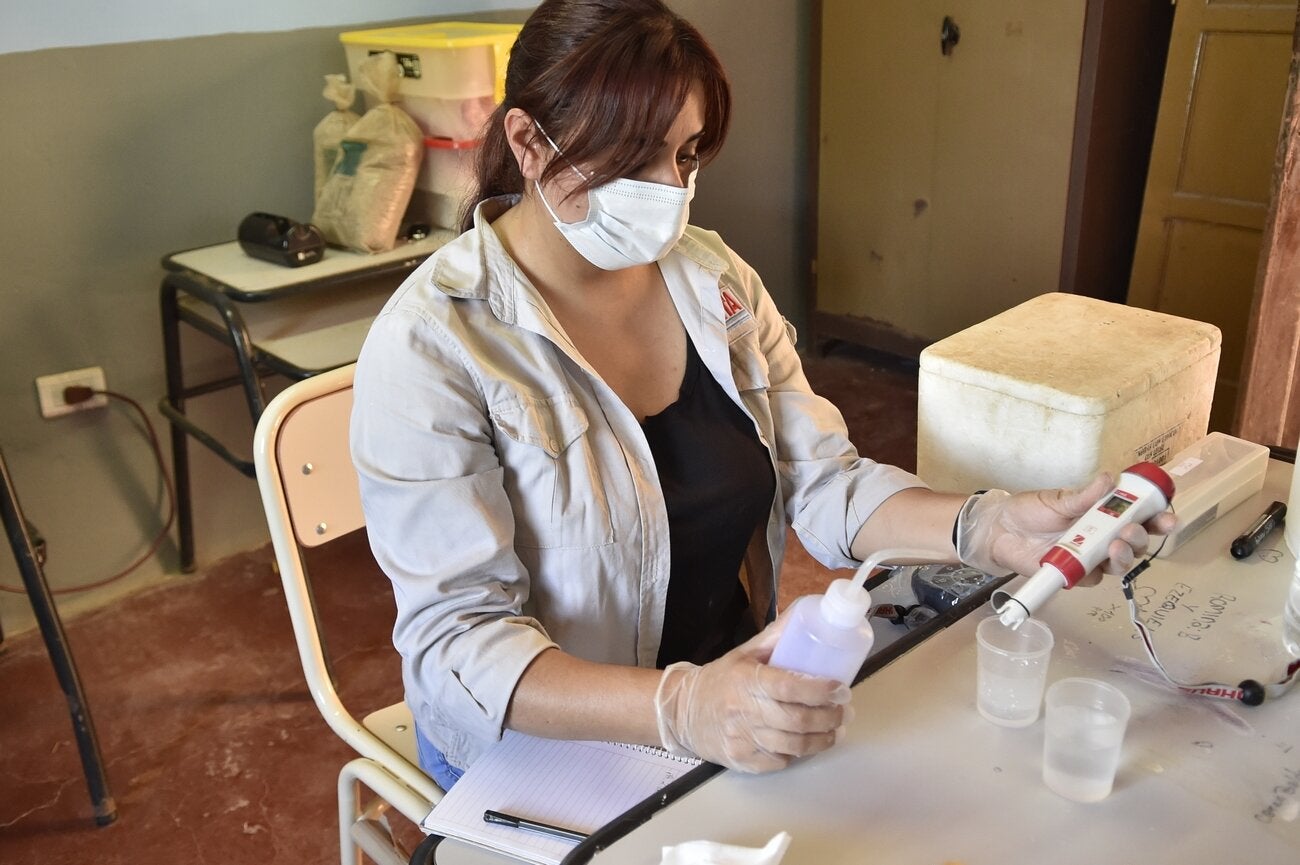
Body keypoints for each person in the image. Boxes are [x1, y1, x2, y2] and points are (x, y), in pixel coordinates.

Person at [350, 0, 1174, 789]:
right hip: (545, 746)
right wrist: (677, 706)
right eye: (633, 155)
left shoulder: (715, 283)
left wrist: (987, 526)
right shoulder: (435, 344)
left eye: (686, 154)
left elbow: (823, 481)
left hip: (732, 699)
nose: (668, 190)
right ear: (529, 143)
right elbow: (460, 645)